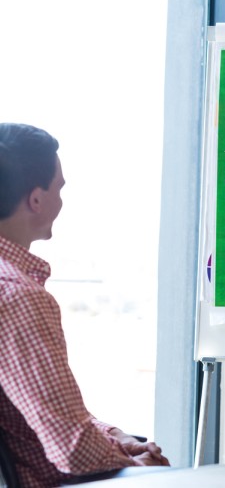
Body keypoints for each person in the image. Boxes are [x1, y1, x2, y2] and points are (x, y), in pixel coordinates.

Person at [0, 123, 170, 487]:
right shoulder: (18, 297)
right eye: (59, 188)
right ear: (36, 200)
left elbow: (50, 413)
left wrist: (117, 437)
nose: (62, 199)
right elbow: (73, 451)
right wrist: (141, 468)